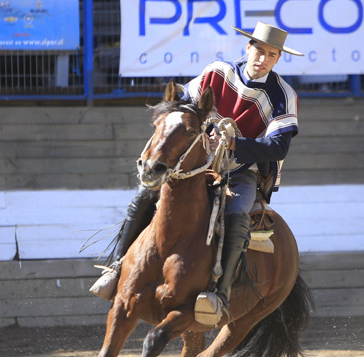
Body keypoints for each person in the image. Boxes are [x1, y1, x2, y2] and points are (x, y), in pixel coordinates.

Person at [89, 22, 303, 326]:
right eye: (259, 50)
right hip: (197, 164)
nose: (262, 59)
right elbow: (183, 105)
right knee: (145, 195)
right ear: (248, 48)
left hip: (241, 173)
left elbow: (278, 146)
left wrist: (234, 143)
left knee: (238, 212)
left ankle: (221, 293)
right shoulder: (217, 73)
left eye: (271, 54)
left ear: (278, 58)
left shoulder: (283, 95)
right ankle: (116, 267)